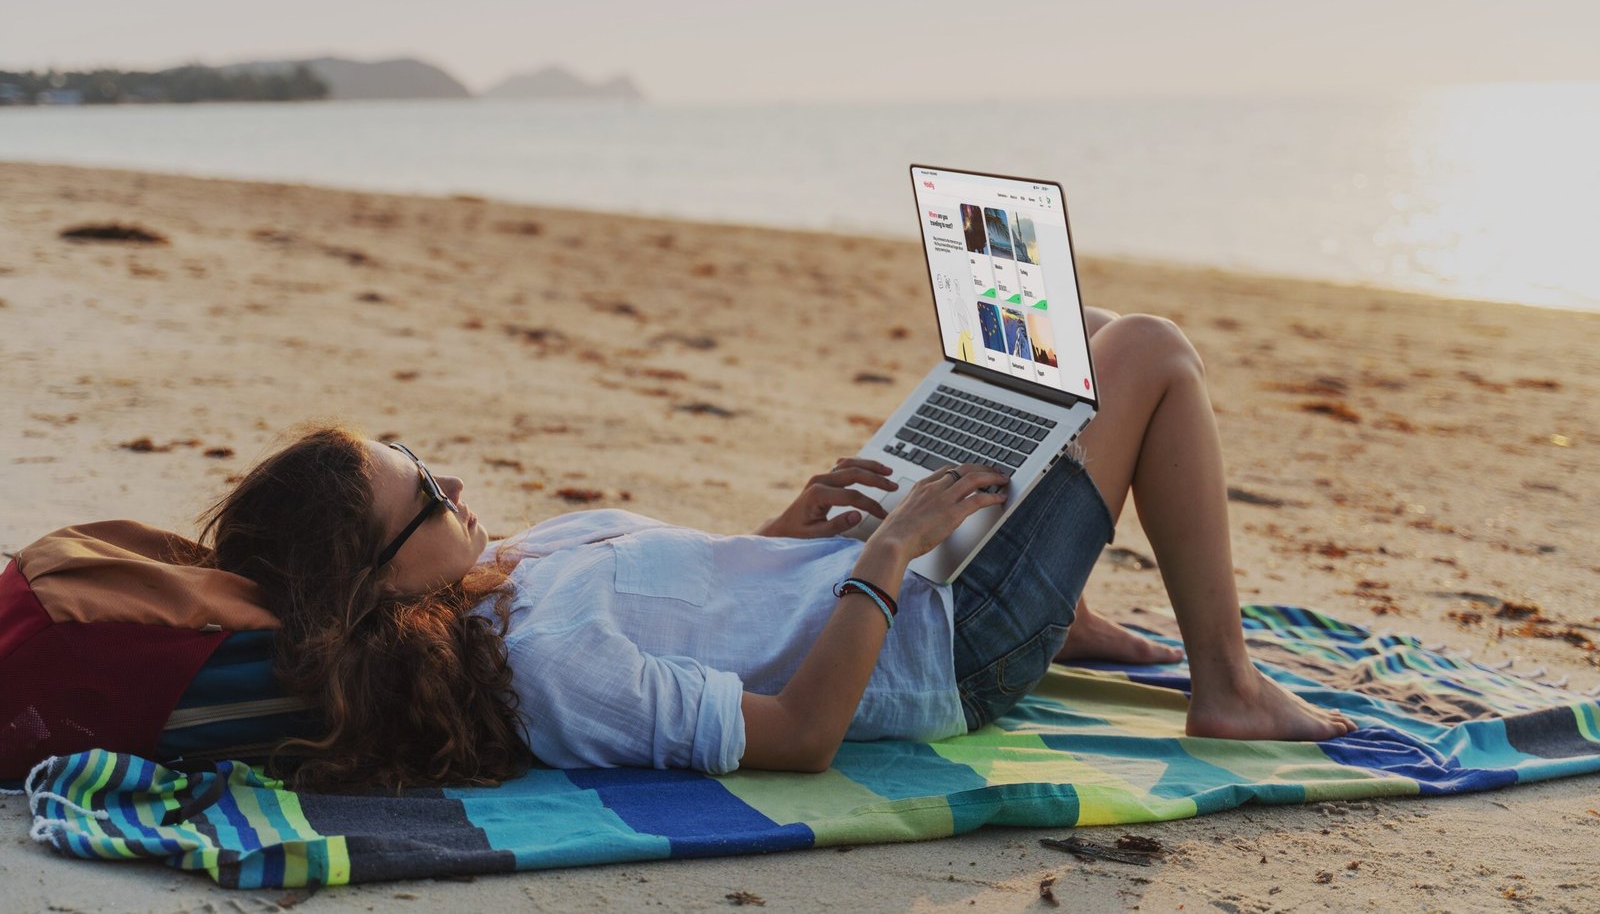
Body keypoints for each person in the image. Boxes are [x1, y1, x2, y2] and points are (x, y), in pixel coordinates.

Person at [202, 308, 1354, 791]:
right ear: (379, 585)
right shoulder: (553, 673)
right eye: (424, 496)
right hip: (945, 649)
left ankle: (1073, 606)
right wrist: (892, 551)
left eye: (413, 452)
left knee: (1071, 341)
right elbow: (800, 736)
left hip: (870, 581)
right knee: (1150, 351)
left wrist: (779, 535)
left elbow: (692, 607)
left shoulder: (501, 576)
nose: (451, 480)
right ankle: (1229, 687)